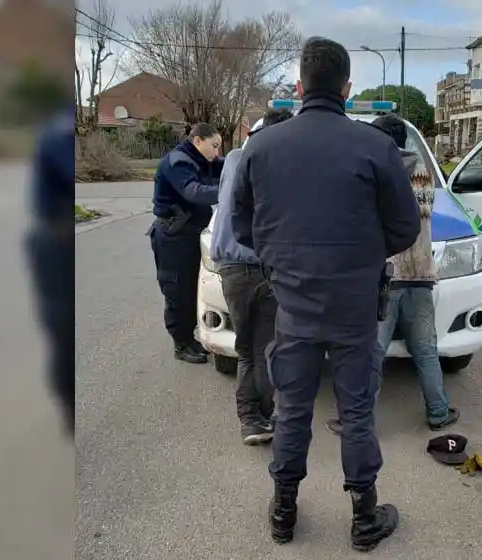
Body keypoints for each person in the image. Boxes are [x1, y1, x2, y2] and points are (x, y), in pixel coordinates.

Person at [230, 37, 420, 551]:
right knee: (356, 411)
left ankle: (283, 512)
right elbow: (405, 228)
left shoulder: (262, 147)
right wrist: (360, 254)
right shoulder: (375, 146)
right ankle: (363, 517)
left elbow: (242, 227)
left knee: (291, 409)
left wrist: (283, 259)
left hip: (292, 303)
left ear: (299, 86)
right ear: (347, 87)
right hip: (355, 307)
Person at [324, 113, 460, 437]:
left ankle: (356, 421)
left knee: (373, 353)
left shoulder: (378, 172)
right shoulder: (426, 175)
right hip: (422, 275)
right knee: (426, 351)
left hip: (387, 277)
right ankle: (439, 412)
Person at [210, 108, 293, 445]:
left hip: (229, 267)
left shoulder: (232, 158)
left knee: (246, 348)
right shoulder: (280, 163)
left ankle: (251, 419)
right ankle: (260, 417)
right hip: (263, 266)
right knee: (267, 347)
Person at [149, 122, 224, 364]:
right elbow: (193, 192)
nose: (217, 152)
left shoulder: (204, 160)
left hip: (191, 233)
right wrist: (230, 190)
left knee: (194, 287)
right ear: (198, 141)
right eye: (214, 146)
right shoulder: (178, 162)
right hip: (173, 235)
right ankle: (181, 343)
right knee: (178, 290)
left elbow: (229, 166)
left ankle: (191, 336)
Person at [26, 106, 75, 436]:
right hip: (57, 241)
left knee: (64, 330)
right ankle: (69, 410)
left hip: (62, 236)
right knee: (62, 328)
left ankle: (69, 409)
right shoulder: (61, 130)